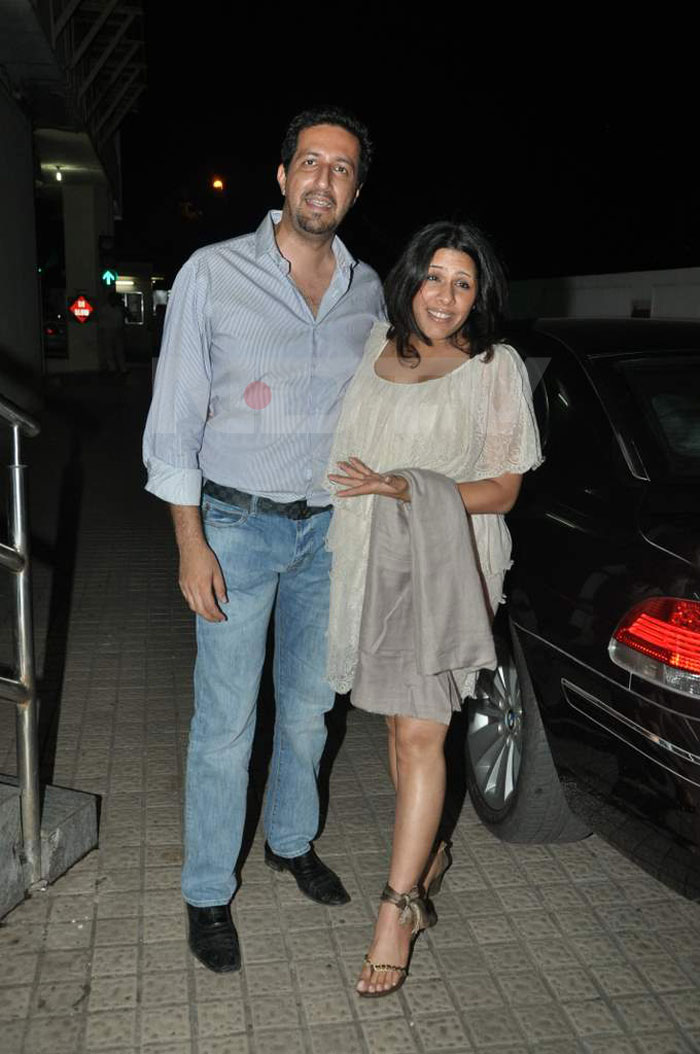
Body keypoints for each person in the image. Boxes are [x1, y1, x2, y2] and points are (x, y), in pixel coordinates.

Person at [142, 106, 384, 973]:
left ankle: (289, 840)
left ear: (356, 188)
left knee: (312, 711)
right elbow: (173, 418)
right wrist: (189, 541)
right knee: (225, 723)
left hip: (327, 533)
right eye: (310, 162)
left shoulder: (368, 290)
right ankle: (208, 892)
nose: (324, 178)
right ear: (282, 177)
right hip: (235, 528)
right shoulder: (213, 273)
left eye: (343, 167)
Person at [326, 220, 543, 997]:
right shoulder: (375, 350)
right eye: (434, 277)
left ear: (479, 294)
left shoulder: (493, 366)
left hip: (447, 564)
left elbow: (506, 487)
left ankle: (398, 908)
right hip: (368, 561)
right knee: (394, 724)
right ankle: (427, 854)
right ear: (409, 279)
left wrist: (401, 485)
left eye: (463, 282)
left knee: (423, 733)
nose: (445, 296)